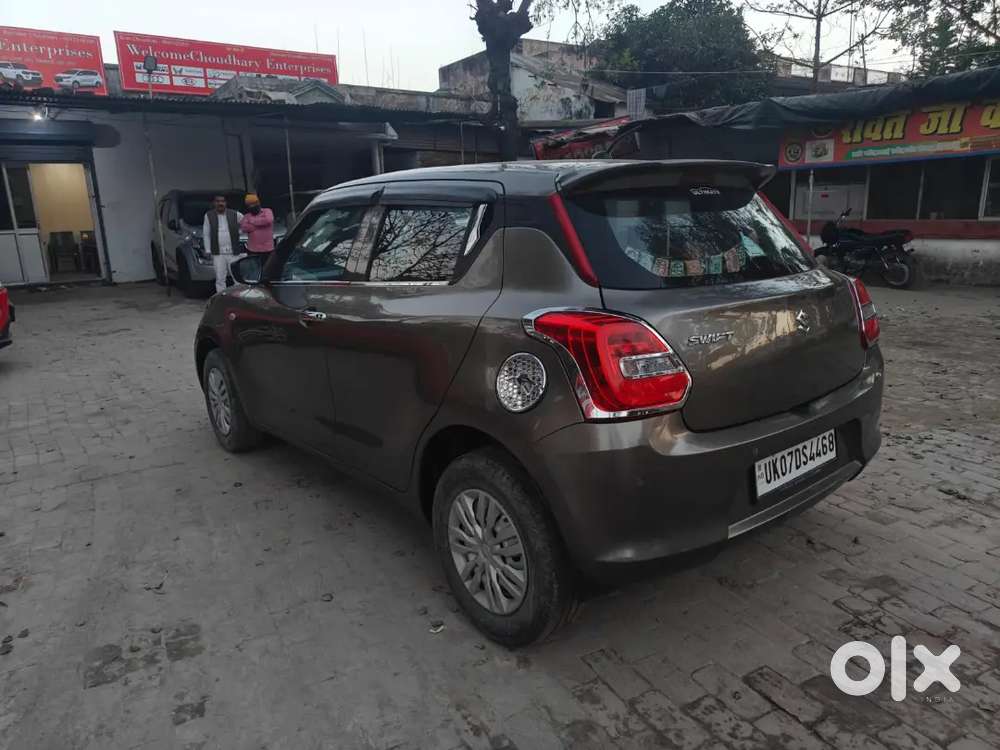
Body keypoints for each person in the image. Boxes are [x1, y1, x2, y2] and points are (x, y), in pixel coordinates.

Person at [202, 195, 243, 294]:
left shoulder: (235, 214)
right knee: (220, 279)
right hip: (218, 253)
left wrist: (240, 231)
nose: (220, 203)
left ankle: (238, 298)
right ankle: (222, 299)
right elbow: (206, 233)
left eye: (223, 201)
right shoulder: (208, 215)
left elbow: (246, 223)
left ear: (226, 203)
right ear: (214, 203)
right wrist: (207, 249)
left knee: (237, 278)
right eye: (218, 201)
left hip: (233, 252)